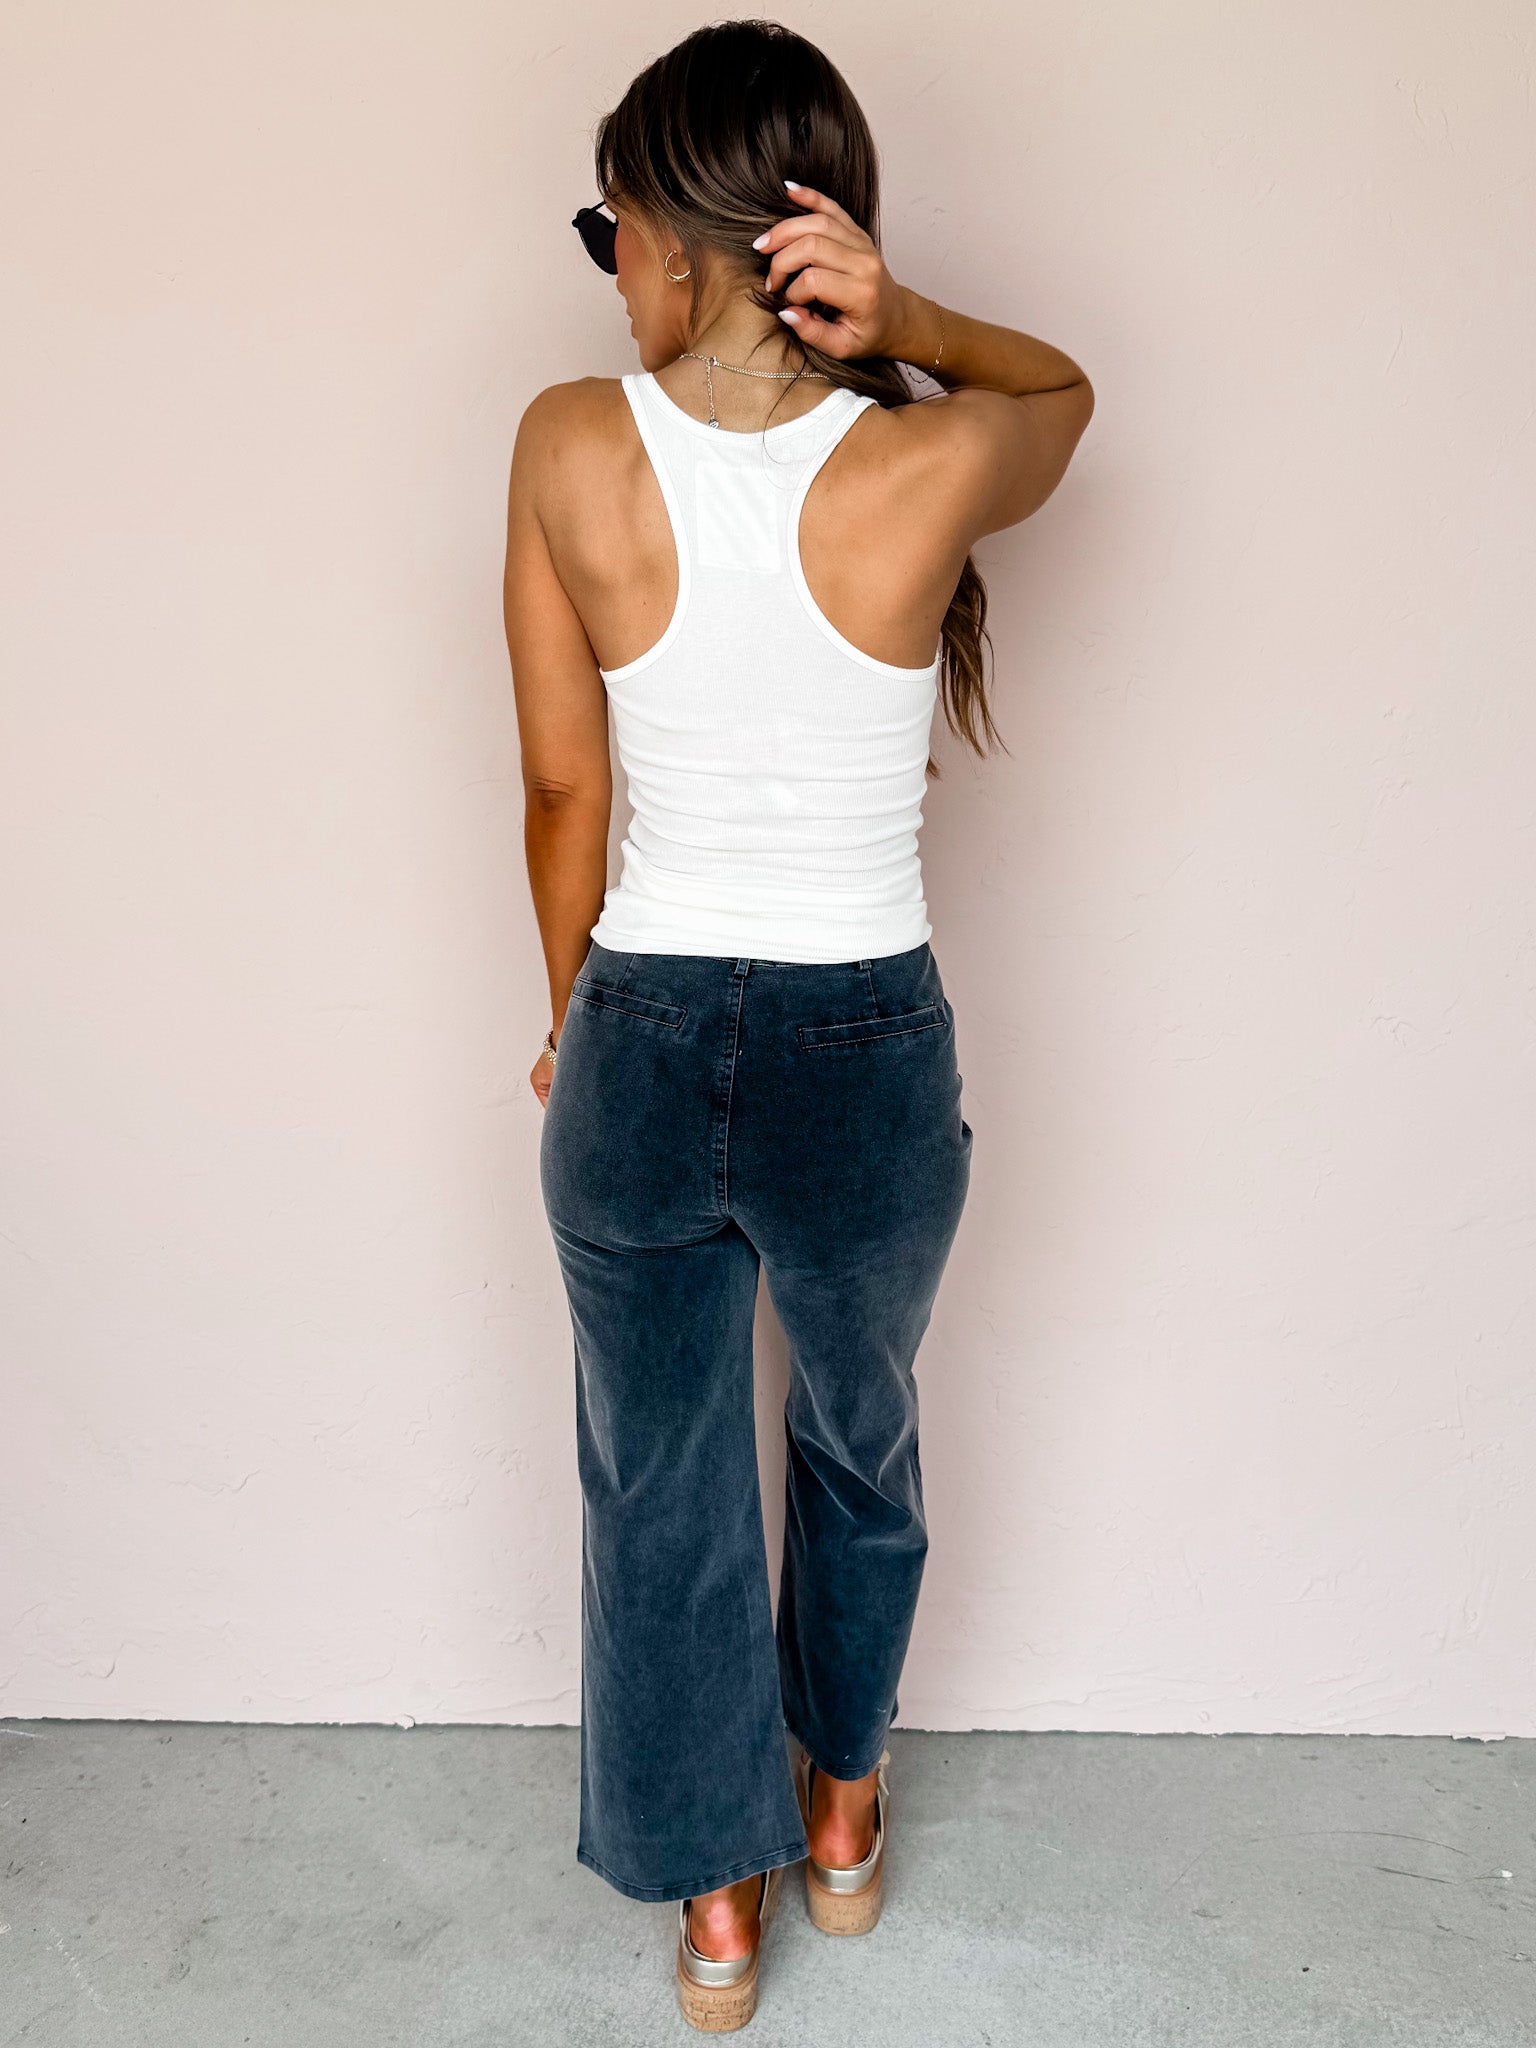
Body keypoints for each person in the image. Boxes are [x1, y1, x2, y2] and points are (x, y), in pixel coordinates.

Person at [503, 20, 1093, 2031]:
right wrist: (909, 322)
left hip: (646, 1036)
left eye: (610, 225)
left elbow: (564, 791)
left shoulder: (567, 445)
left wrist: (572, 1020)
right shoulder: (926, 458)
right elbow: (1065, 394)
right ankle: (840, 1816)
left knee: (657, 1482)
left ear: (684, 239)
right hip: (870, 1055)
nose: (609, 268)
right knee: (860, 1435)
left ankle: (719, 1915)